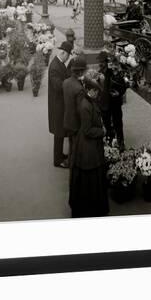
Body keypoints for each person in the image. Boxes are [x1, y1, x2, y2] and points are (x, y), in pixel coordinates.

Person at [69, 69, 109, 218]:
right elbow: (87, 130)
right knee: (90, 179)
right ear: (90, 90)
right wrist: (102, 131)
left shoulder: (88, 101)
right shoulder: (85, 105)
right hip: (87, 148)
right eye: (96, 91)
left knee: (90, 180)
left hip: (90, 146)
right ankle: (90, 210)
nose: (97, 94)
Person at [47, 41, 73, 168]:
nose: (67, 58)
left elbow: (65, 74)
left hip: (59, 104)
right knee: (59, 133)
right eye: (67, 56)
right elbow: (58, 86)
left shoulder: (59, 64)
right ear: (63, 53)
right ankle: (57, 161)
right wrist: (69, 84)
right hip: (57, 105)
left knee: (60, 132)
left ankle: (60, 155)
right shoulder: (55, 67)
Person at [63, 55, 87, 149]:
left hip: (67, 120)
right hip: (76, 124)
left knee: (71, 146)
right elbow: (80, 110)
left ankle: (70, 163)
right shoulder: (79, 89)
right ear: (81, 71)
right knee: (76, 149)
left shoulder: (65, 82)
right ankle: (72, 164)